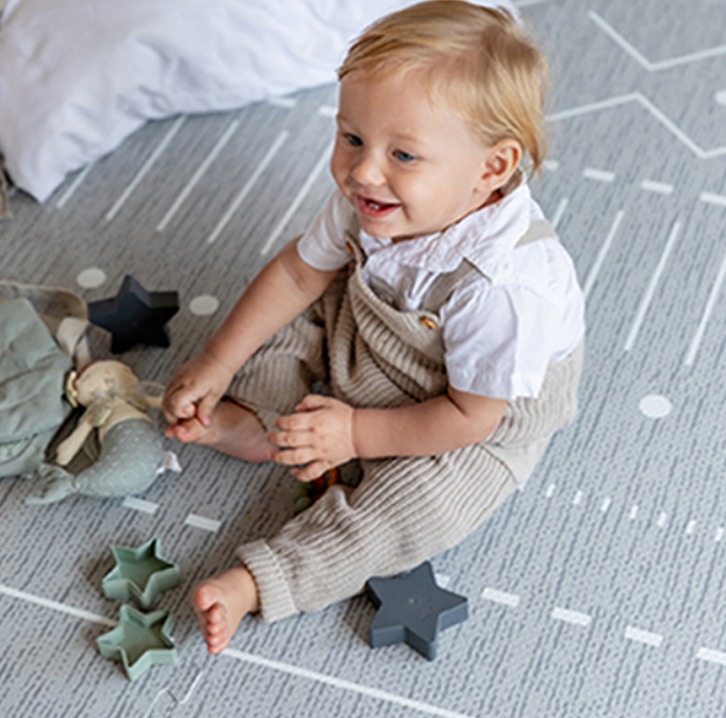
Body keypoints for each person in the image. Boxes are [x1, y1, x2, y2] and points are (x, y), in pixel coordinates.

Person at [162, 0, 585, 655]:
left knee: (415, 509)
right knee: (285, 321)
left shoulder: (503, 286)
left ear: (492, 169)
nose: (363, 171)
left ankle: (261, 581)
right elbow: (298, 275)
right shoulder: (373, 199)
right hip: (373, 332)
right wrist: (217, 362)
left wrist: (357, 433)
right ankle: (262, 422)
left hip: (472, 413)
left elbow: (471, 417)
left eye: (403, 154)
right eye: (352, 138)